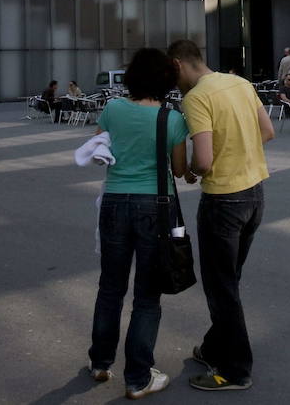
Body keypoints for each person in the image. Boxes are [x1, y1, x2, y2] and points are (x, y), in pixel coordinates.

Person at [168, 39, 275, 392]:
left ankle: (235, 370)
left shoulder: (196, 97)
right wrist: (238, 151)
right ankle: (214, 346)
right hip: (255, 194)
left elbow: (203, 160)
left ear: (178, 64)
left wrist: (192, 172)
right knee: (229, 278)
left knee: (221, 286)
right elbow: (267, 132)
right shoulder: (241, 83)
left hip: (223, 201)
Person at [87, 49, 190, 400]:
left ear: (131, 75)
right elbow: (177, 170)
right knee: (147, 296)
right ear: (166, 79)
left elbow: (101, 143)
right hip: (156, 208)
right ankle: (137, 377)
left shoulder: (114, 108)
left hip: (115, 202)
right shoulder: (171, 118)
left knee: (110, 288)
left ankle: (100, 362)